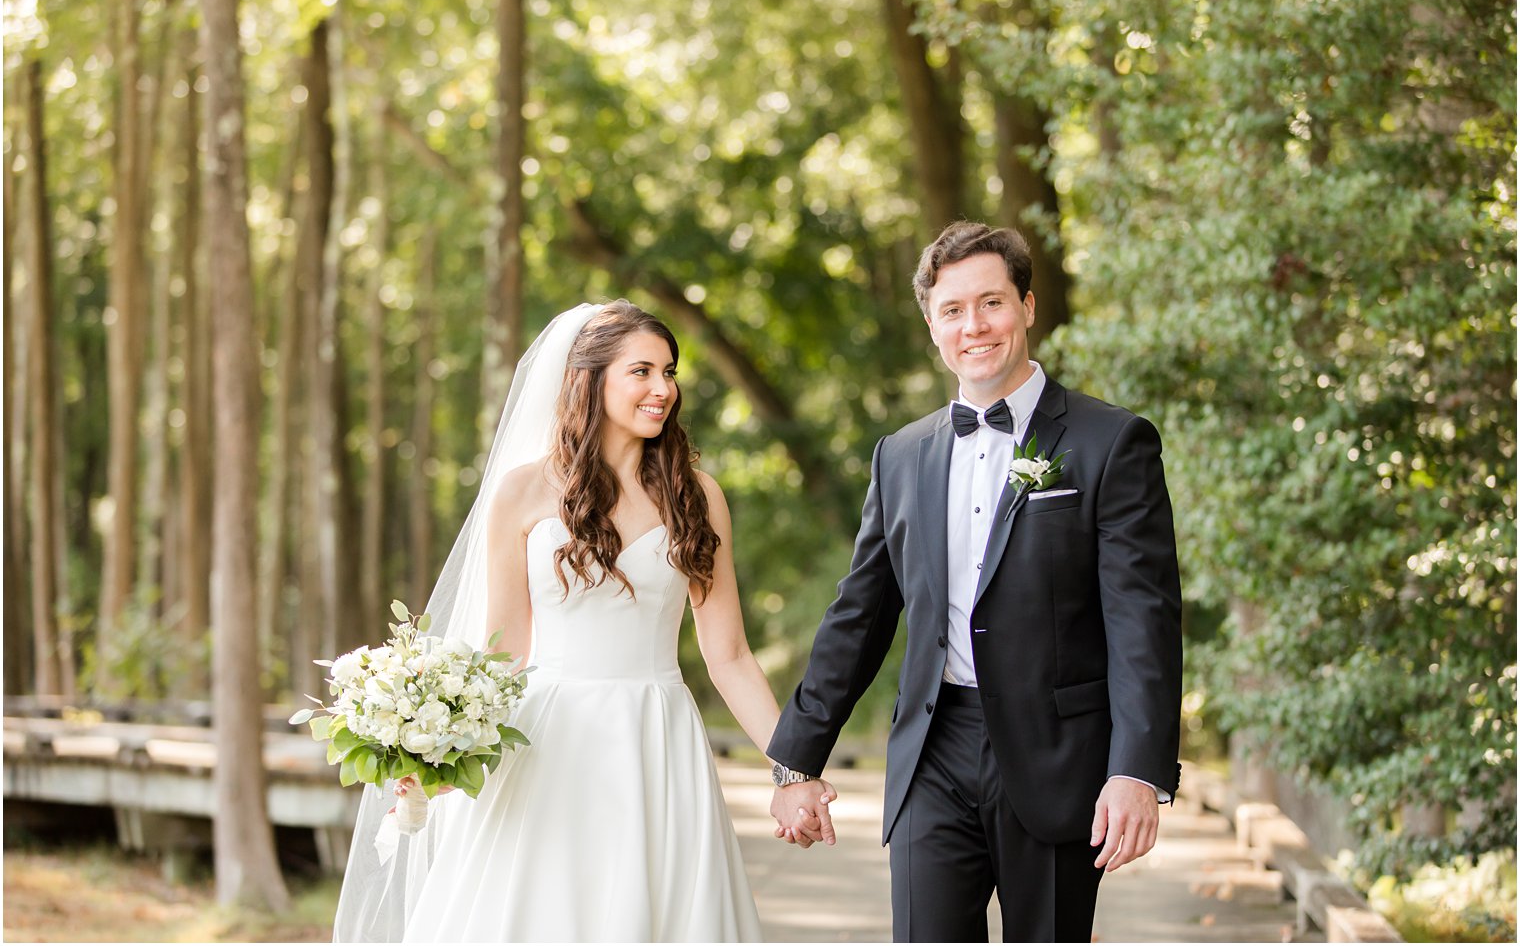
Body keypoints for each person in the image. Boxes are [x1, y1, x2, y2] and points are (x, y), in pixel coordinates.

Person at [766, 221, 1184, 942]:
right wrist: (796, 760)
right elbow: (861, 611)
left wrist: (1138, 770)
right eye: (952, 310)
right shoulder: (900, 456)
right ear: (932, 324)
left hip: (1059, 754)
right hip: (934, 747)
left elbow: (1142, 618)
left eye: (991, 302)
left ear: (1027, 305)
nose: (974, 326)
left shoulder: (1110, 442)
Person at [334, 301, 801, 942]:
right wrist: (441, 750)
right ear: (591, 379)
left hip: (655, 738)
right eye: (641, 371)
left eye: (669, 372)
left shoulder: (698, 495)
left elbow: (732, 657)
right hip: (548, 741)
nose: (663, 389)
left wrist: (793, 770)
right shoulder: (522, 492)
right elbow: (503, 653)